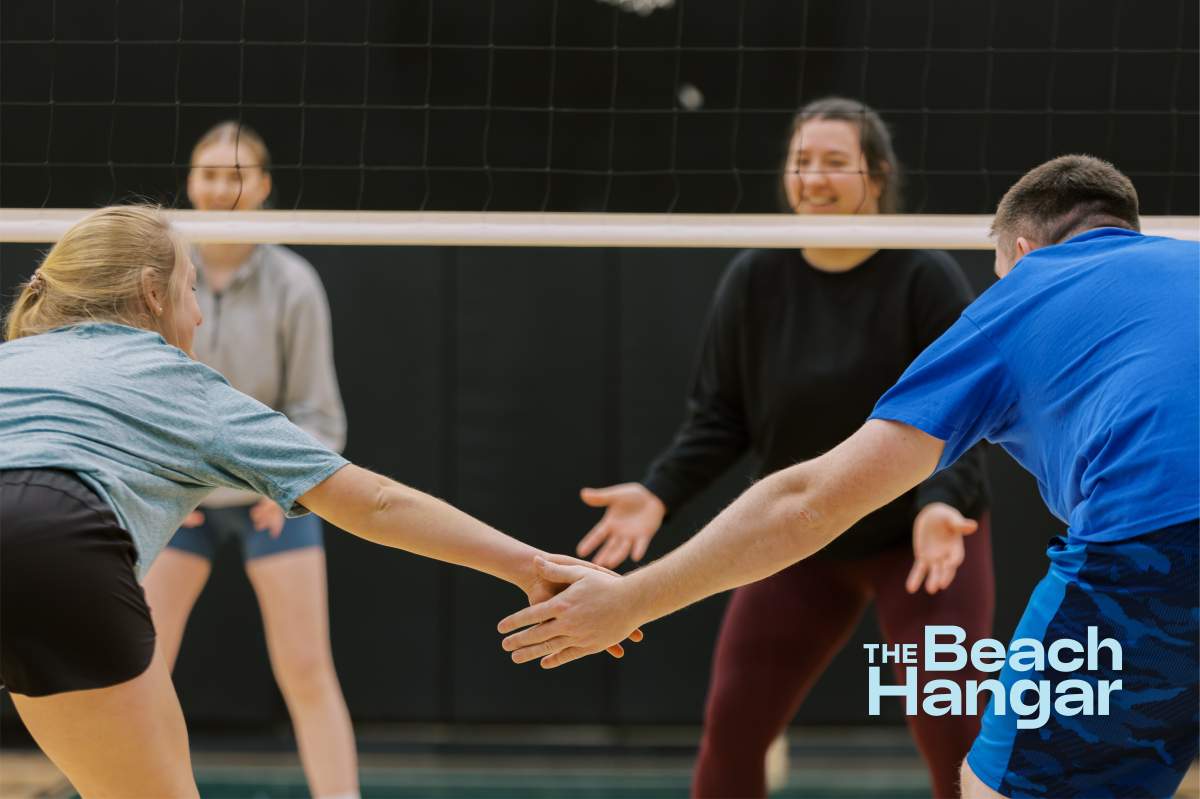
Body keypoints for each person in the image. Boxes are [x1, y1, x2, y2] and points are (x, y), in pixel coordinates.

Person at [501, 155, 1199, 799]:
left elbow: (806, 502)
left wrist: (629, 602)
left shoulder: (1018, 298)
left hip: (1154, 555)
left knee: (993, 788)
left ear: (1020, 252)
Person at [0, 204, 638, 799]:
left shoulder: (12, 361)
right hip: (60, 539)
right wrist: (530, 567)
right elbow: (377, 502)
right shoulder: (180, 384)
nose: (196, 315)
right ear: (149, 292)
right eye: (190, 289)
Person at [574, 97, 992, 798]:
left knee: (951, 727)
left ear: (877, 176)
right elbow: (721, 417)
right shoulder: (755, 277)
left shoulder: (923, 275)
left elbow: (967, 413)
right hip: (797, 540)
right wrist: (658, 491)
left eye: (835, 162)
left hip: (919, 538)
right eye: (802, 162)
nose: (814, 178)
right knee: (734, 726)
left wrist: (940, 501)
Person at [140, 121, 357, 799]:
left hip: (273, 499)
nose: (219, 187)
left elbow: (319, 413)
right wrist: (170, 485)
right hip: (184, 500)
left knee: (306, 667)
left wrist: (287, 483)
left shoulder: (295, 280)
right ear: (190, 183)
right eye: (208, 173)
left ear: (261, 187)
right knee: (139, 666)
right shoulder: (159, 278)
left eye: (235, 174)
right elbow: (145, 396)